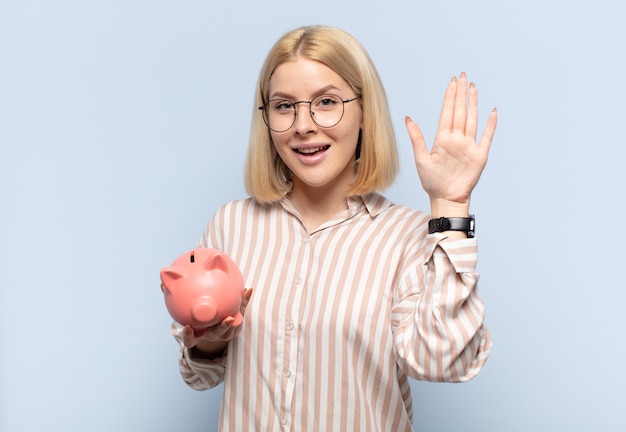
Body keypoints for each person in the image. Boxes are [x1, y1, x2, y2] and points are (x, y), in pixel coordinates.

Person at [171, 25, 497, 431]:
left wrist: (451, 206)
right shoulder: (231, 225)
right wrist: (210, 342)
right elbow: (199, 375)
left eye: (326, 102)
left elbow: (444, 362)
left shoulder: (408, 236)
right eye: (284, 106)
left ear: (364, 112)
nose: (303, 125)